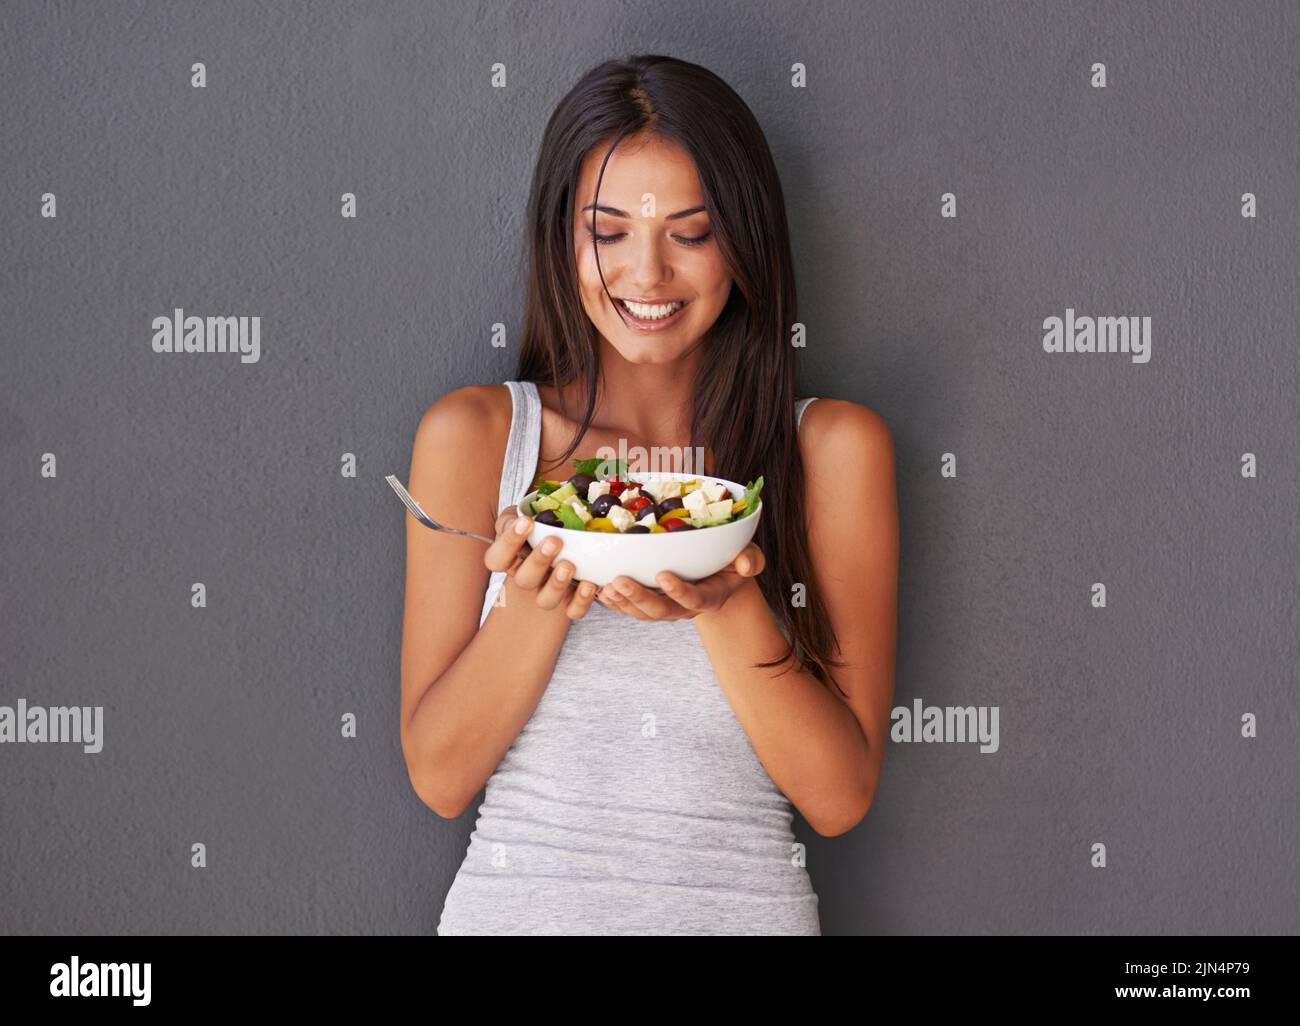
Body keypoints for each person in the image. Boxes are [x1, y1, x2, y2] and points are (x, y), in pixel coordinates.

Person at [400, 55, 898, 935]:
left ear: (744, 243)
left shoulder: (832, 450)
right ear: (564, 238)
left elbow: (839, 796)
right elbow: (439, 779)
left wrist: (725, 597)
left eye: (691, 233)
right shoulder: (476, 439)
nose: (647, 274)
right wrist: (534, 604)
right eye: (609, 231)